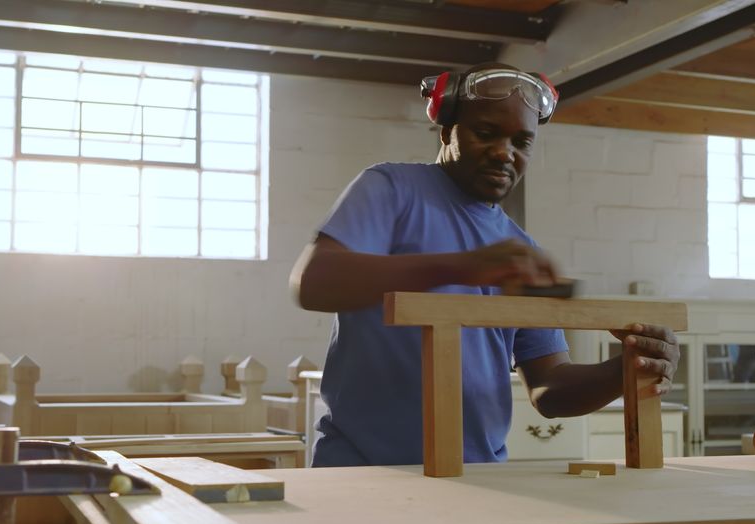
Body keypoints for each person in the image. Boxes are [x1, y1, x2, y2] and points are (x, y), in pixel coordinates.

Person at [289, 63, 681, 470]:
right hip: (363, 471)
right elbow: (312, 282)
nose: (504, 152)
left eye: (522, 141)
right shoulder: (391, 189)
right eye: (486, 133)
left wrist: (625, 368)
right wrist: (462, 268)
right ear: (446, 131)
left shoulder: (520, 250)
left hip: (475, 475)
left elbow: (550, 388)